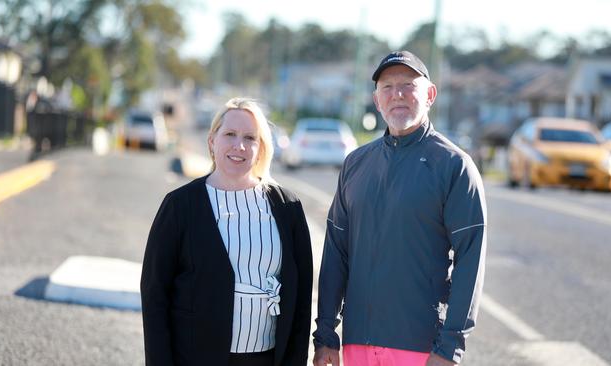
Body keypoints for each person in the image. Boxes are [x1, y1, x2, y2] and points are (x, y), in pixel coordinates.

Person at [312, 51, 487, 366]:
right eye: (387, 87)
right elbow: (336, 253)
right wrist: (326, 335)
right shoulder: (356, 163)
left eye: (408, 85)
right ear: (376, 100)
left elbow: (470, 262)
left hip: (419, 347)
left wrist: (450, 348)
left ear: (430, 94)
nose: (398, 95)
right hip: (357, 345)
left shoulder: (454, 166)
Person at [141, 97, 313, 366]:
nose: (239, 145)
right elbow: (154, 295)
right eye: (230, 134)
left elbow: (301, 299)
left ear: (261, 148)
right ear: (212, 141)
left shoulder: (287, 207)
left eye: (250, 137)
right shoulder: (180, 206)